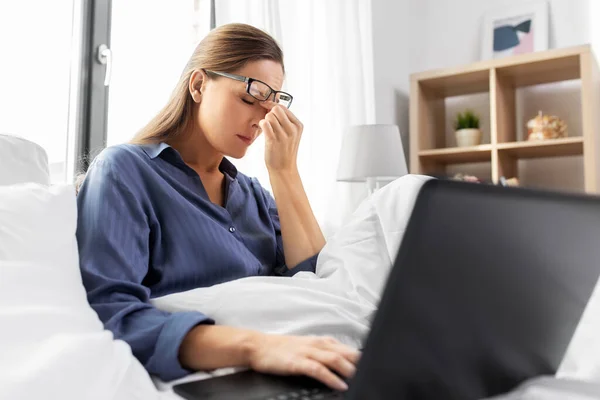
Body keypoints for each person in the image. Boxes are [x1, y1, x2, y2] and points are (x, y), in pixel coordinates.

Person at [76, 23, 359, 392]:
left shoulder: (256, 196)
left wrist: (284, 171)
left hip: (289, 368)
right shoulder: (126, 171)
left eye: (270, 106)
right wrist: (256, 347)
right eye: (248, 99)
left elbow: (315, 287)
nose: (260, 120)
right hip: (221, 374)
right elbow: (109, 309)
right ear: (198, 85)